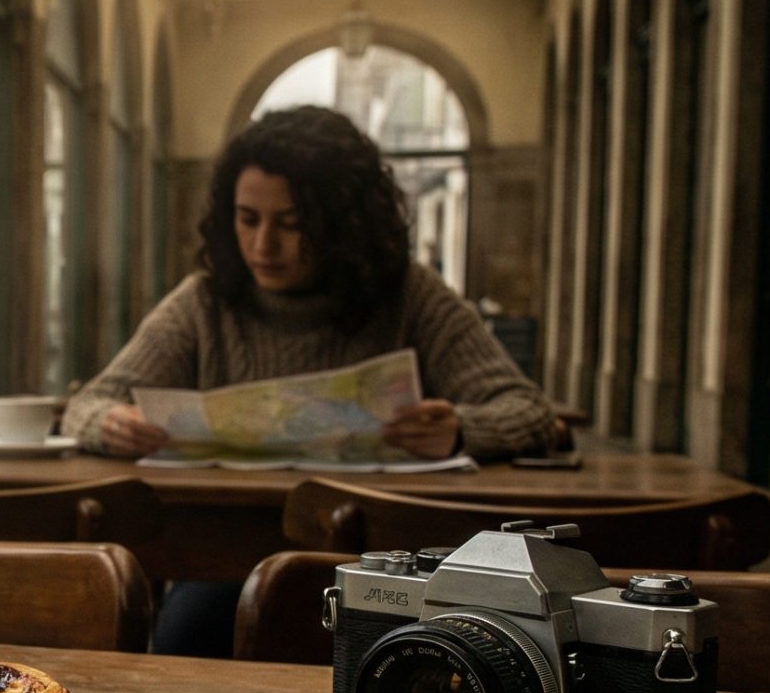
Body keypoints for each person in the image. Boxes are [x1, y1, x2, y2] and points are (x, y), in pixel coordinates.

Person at [62, 105, 561, 654]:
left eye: (292, 224)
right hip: (229, 562)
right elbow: (89, 402)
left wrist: (462, 429)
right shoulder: (206, 300)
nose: (263, 245)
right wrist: (110, 423)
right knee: (186, 634)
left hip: (387, 574)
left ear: (345, 224)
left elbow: (528, 410)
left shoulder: (409, 295)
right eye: (247, 218)